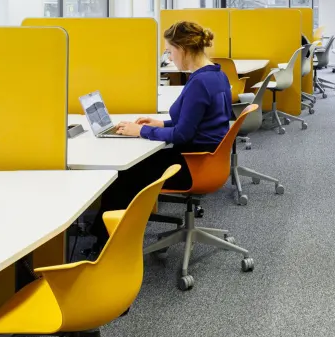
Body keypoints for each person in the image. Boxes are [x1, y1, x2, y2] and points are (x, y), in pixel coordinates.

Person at [88, 20, 233, 250]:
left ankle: (107, 244)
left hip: (193, 165)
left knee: (124, 174)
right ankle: (108, 232)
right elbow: (196, 120)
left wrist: (142, 131)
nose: (170, 57)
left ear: (183, 49)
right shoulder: (216, 74)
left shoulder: (199, 82)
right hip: (206, 158)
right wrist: (160, 123)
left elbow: (183, 134)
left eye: (170, 51)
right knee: (134, 169)